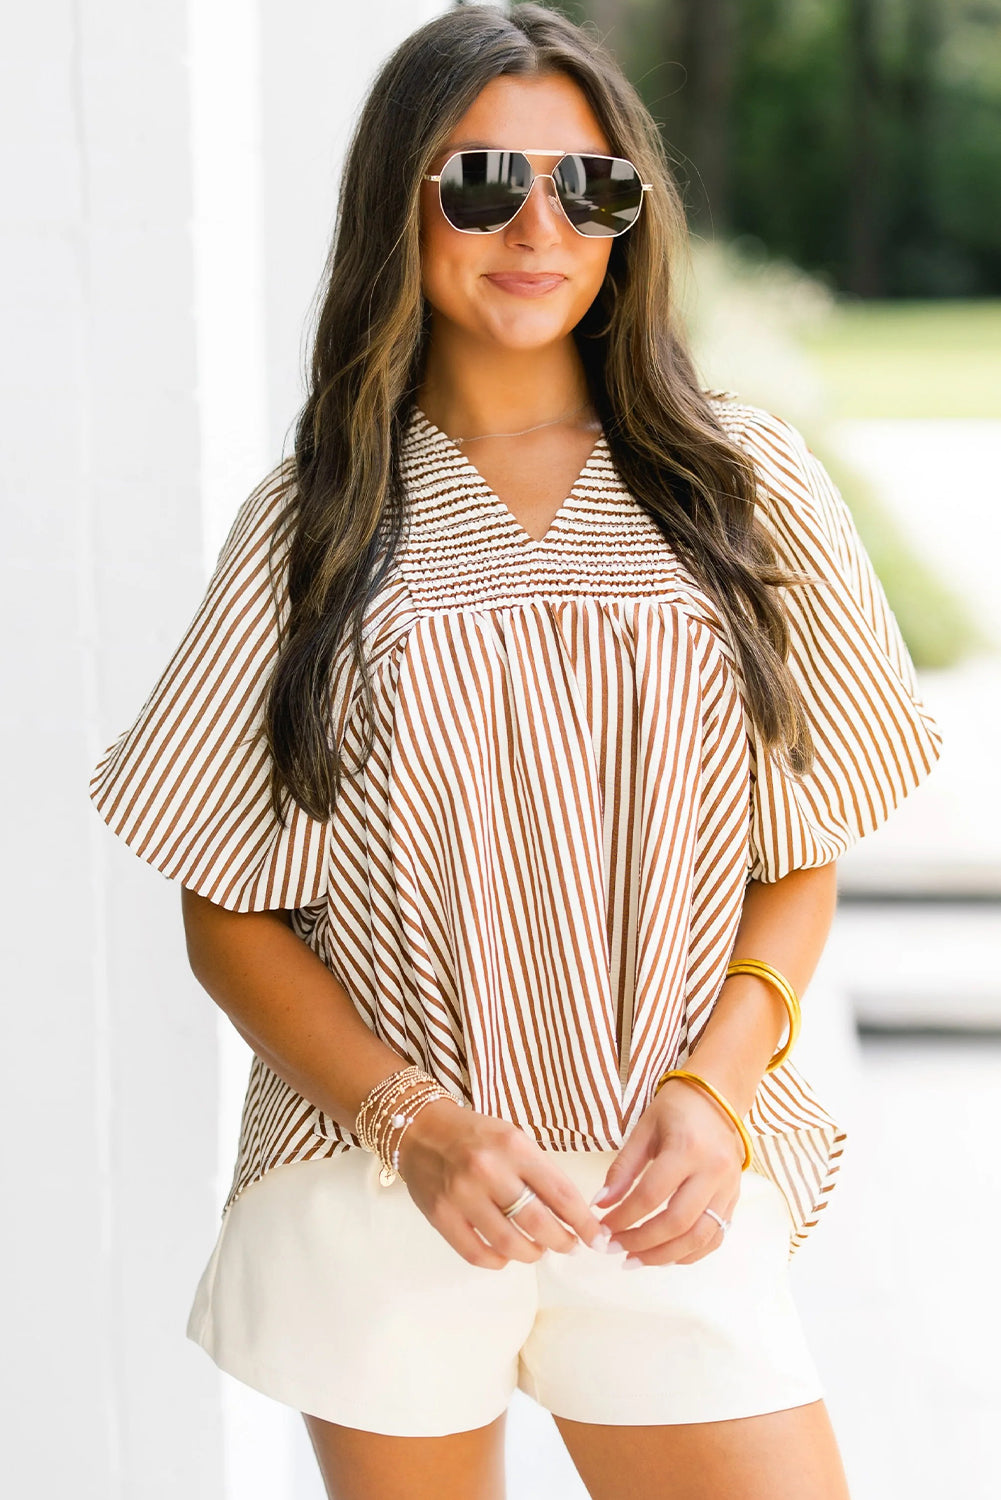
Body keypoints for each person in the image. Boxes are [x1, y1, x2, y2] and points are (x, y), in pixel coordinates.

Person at [87, 6, 944, 1497]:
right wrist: (418, 1128)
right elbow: (224, 905)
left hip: (660, 1175)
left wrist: (716, 1084)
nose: (538, 225)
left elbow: (797, 852)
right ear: (398, 206)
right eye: (483, 182)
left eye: (589, 187)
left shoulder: (739, 488)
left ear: (631, 220)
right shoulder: (316, 526)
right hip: (382, 1182)